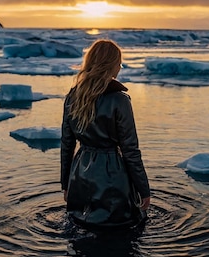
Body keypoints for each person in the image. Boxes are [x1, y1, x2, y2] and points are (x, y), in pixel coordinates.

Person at [60, 39, 151, 230]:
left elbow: (67, 144)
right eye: (118, 62)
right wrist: (144, 190)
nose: (120, 66)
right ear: (111, 65)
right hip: (112, 174)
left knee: (80, 227)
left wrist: (66, 183)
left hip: (79, 173)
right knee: (120, 229)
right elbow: (130, 150)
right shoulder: (120, 100)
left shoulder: (73, 96)